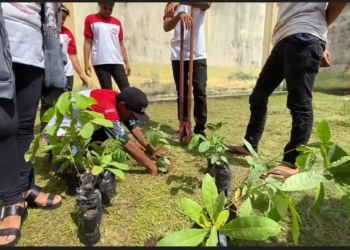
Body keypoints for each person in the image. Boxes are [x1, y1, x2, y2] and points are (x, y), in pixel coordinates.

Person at [227, 3, 347, 180]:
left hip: (305, 37)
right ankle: (249, 146)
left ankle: (291, 163)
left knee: (299, 102)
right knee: (258, 96)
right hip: (283, 39)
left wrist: (316, 30)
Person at [0, 2, 66, 246]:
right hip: (4, 36)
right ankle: (11, 199)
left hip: (33, 46)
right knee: (4, 125)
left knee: (26, 124)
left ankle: (26, 187)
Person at [43, 87, 166, 176]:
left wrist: (153, 152)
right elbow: (126, 142)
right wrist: (151, 165)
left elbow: (134, 128)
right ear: (123, 106)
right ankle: (55, 157)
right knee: (65, 169)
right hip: (60, 133)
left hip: (76, 130)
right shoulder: (107, 107)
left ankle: (82, 153)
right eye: (133, 114)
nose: (134, 118)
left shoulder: (119, 99)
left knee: (106, 130)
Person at [163, 2, 211, 139]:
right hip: (178, 54)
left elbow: (207, 4)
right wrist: (179, 15)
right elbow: (166, 27)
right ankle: (183, 125)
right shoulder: (171, 4)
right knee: (182, 93)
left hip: (198, 54)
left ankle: (200, 130)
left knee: (200, 91)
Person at [40, 4, 89, 132]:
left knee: (64, 103)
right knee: (48, 103)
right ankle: (45, 131)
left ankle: (61, 130)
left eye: (64, 18)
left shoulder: (68, 34)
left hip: (67, 74)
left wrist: (81, 74)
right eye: (59, 17)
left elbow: (73, 55)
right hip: (50, 72)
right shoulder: (45, 30)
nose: (61, 20)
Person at [83, 2, 131, 91]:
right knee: (107, 92)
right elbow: (87, 41)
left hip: (117, 61)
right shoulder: (90, 19)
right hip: (100, 62)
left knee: (126, 90)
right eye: (104, 8)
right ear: (99, 5)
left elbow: (120, 44)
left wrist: (127, 63)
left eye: (110, 9)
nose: (107, 11)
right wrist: (86, 62)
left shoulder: (117, 23)